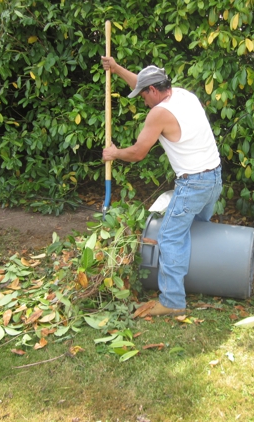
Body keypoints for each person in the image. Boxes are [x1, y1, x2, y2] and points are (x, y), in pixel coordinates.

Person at [101, 56, 222, 316]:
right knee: (196, 231)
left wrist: (114, 153)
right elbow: (143, 84)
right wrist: (117, 68)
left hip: (193, 184)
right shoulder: (182, 95)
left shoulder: (158, 114)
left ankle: (172, 301)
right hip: (214, 178)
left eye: (143, 96)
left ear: (153, 91)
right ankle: (201, 278)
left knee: (169, 237)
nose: (142, 101)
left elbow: (137, 153)